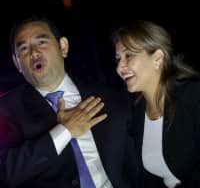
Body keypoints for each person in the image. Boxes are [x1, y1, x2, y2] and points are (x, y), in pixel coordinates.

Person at [0, 16, 133, 188]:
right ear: (16, 63)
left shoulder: (108, 95)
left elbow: (134, 160)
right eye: (24, 48)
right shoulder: (7, 110)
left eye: (41, 42)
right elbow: (6, 172)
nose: (34, 53)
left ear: (63, 47)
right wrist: (64, 131)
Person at [113, 20, 200, 188]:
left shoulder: (193, 96)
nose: (119, 67)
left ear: (157, 58)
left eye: (128, 55)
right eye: (118, 59)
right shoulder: (137, 113)